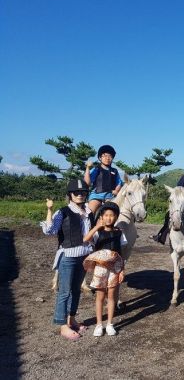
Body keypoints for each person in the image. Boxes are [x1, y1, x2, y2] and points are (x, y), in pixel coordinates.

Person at [41, 179, 95, 340]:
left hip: (84, 256)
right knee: (64, 292)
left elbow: (92, 233)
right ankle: (63, 325)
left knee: (76, 290)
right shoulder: (63, 212)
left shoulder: (89, 212)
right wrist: (49, 210)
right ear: (70, 195)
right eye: (76, 192)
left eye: (83, 192)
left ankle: (72, 319)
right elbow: (50, 231)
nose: (80, 195)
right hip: (68, 257)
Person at [83, 202, 127, 337]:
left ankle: (110, 324)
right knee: (100, 296)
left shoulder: (119, 233)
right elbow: (85, 239)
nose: (109, 218)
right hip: (100, 267)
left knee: (112, 296)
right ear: (101, 217)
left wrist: (122, 269)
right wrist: (97, 226)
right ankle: (98, 324)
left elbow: (121, 253)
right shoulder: (98, 232)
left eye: (112, 215)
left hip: (115, 268)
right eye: (106, 215)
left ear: (116, 217)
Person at [84, 144, 123, 214]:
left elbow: (119, 183)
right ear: (100, 158)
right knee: (90, 212)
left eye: (110, 156)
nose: (107, 158)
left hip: (110, 197)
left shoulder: (115, 171)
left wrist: (116, 191)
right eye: (105, 156)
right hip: (96, 196)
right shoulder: (96, 169)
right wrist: (87, 168)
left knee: (117, 211)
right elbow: (87, 183)